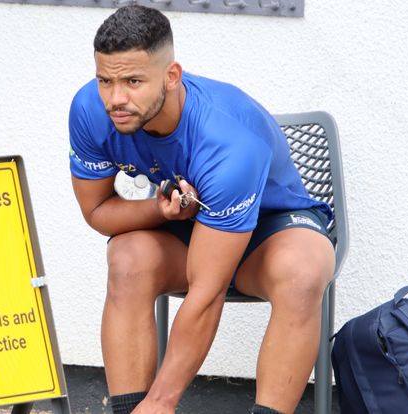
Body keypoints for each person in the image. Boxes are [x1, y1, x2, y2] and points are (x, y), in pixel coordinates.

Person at [68, 5, 336, 414]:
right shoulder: (91, 110)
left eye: (134, 81)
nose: (116, 99)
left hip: (270, 234)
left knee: (304, 270)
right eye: (106, 80)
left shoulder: (229, 144)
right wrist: (162, 212)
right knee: (127, 256)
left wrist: (164, 399)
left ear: (172, 76)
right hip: (193, 226)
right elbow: (98, 211)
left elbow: (207, 292)